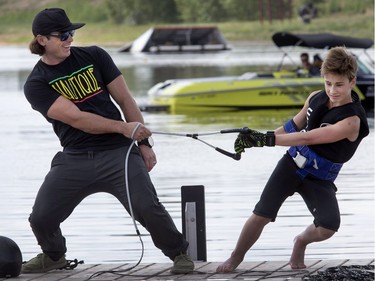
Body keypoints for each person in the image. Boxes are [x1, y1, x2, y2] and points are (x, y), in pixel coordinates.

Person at [22, 8, 194, 274]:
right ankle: (54, 255)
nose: (70, 38)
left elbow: (126, 100)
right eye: (63, 35)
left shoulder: (95, 56)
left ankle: (178, 253)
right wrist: (124, 128)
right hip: (75, 158)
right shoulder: (36, 83)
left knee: (147, 207)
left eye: (72, 33)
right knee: (41, 218)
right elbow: (78, 119)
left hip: (119, 153)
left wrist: (144, 145)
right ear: (42, 39)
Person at [216, 46, 369, 273]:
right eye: (328, 83)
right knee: (261, 214)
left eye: (339, 85)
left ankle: (301, 241)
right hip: (291, 165)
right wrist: (258, 138)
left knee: (328, 227)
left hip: (319, 178)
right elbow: (293, 126)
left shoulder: (352, 121)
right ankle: (235, 257)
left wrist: (266, 140)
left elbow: (309, 137)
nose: (332, 90)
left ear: (352, 81)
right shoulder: (315, 98)